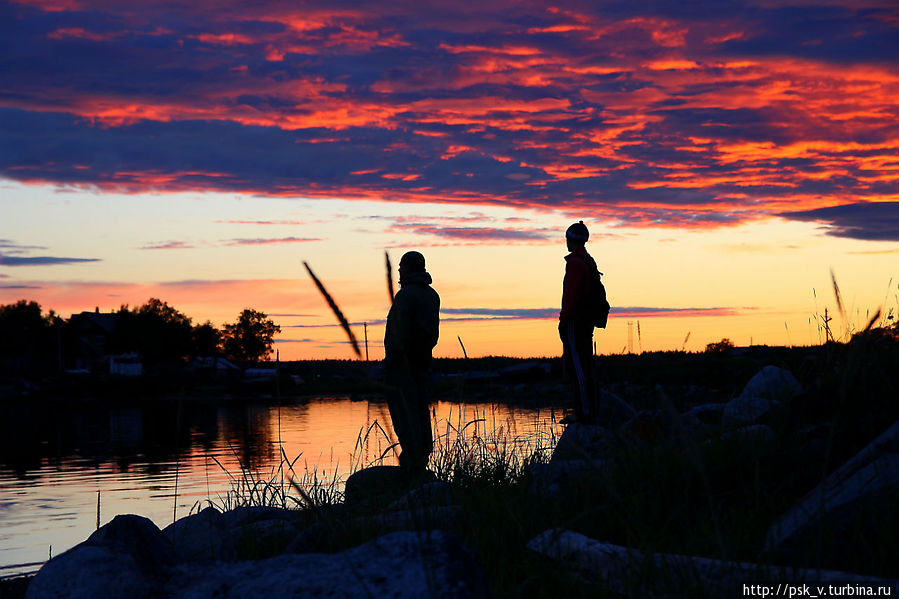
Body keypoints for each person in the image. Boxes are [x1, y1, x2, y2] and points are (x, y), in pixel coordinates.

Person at [384, 251, 440, 472]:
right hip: (423, 363)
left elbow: (401, 334)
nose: (398, 270)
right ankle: (421, 460)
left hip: (402, 367)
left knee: (404, 415)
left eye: (401, 266)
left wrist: (394, 360)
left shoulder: (406, 296)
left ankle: (412, 467)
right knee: (419, 411)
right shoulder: (432, 295)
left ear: (408, 267)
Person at [559, 220, 600, 424]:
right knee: (583, 364)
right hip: (585, 321)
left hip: (576, 321)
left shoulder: (575, 263)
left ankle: (584, 413)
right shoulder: (588, 260)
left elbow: (571, 296)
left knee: (578, 367)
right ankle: (586, 410)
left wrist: (563, 320)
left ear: (571, 240)